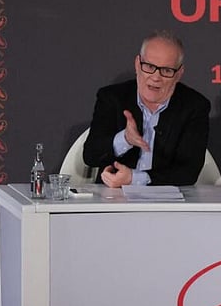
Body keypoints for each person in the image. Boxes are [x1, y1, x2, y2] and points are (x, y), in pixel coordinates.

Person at [83, 30, 210, 188]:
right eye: (149, 66)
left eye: (166, 71)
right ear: (137, 64)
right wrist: (126, 139)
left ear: (179, 74)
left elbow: (188, 172)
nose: (156, 77)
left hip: (165, 202)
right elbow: (91, 156)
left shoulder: (194, 106)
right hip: (114, 197)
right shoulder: (112, 98)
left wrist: (134, 179)